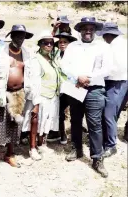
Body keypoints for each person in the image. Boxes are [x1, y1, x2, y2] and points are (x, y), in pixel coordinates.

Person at [61, 16, 112, 178]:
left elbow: (107, 68)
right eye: (85, 28)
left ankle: (97, 158)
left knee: (95, 124)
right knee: (75, 120)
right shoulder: (73, 46)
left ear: (95, 30)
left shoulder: (103, 47)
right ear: (80, 30)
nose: (88, 31)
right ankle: (76, 149)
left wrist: (88, 77)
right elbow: (64, 65)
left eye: (91, 28)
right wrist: (78, 76)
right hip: (76, 86)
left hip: (95, 89)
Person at [0, 24, 34, 169]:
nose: (20, 39)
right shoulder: (0, 52)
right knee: (0, 124)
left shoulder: (27, 54)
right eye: (17, 36)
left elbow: (31, 75)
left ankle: (10, 154)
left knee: (15, 126)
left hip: (19, 94)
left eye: (22, 36)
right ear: (12, 36)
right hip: (3, 92)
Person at [22, 31, 62, 161]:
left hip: (52, 96)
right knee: (35, 121)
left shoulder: (52, 58)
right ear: (40, 44)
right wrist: (36, 102)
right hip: (39, 96)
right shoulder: (35, 59)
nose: (49, 45)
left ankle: (41, 143)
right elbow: (34, 81)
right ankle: (32, 148)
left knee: (47, 121)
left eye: (51, 43)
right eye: (45, 43)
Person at [98, 22, 127, 158]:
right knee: (114, 113)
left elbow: (115, 69)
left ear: (108, 35)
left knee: (109, 114)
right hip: (122, 82)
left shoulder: (115, 47)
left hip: (116, 82)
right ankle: (108, 138)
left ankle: (110, 145)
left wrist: (98, 75)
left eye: (104, 36)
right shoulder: (122, 43)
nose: (103, 38)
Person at [45, 32, 77, 144]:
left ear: (70, 44)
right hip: (62, 89)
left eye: (65, 42)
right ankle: (61, 134)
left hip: (73, 88)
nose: (62, 44)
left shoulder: (74, 55)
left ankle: (75, 138)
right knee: (59, 111)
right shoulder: (57, 54)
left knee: (75, 113)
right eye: (60, 42)